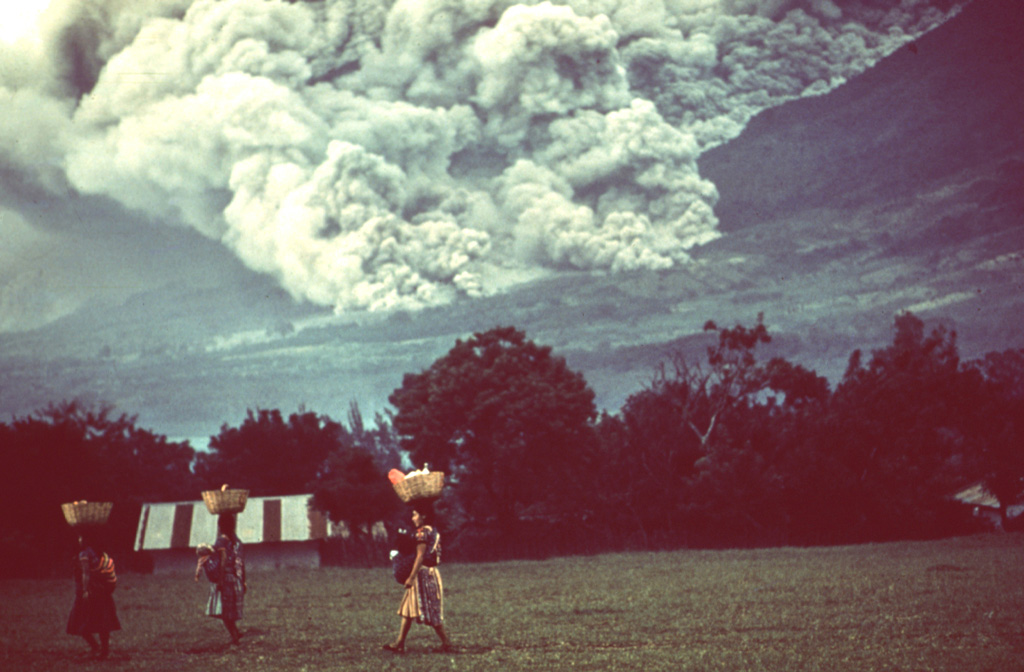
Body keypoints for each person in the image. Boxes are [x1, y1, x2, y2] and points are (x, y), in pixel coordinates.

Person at [383, 502, 453, 654]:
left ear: (424, 516)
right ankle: (399, 643)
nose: (413, 518)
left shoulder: (421, 532)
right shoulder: (433, 531)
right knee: (408, 609)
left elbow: (420, 556)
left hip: (423, 575)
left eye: (415, 514)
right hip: (430, 573)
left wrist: (411, 577)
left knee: (431, 609)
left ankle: (446, 643)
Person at [66, 529, 120, 660]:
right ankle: (103, 650)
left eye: (80, 538)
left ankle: (97, 648)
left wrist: (85, 590)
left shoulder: (84, 554)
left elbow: (86, 573)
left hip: (89, 594)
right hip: (102, 593)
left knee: (79, 622)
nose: (78, 540)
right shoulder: (98, 553)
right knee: (103, 622)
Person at [207, 513, 246, 644]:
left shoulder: (221, 541)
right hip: (237, 580)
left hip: (227, 580)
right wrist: (244, 580)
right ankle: (236, 634)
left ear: (220, 525)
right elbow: (241, 561)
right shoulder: (237, 541)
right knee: (230, 612)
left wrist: (220, 580)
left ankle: (235, 636)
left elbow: (223, 561)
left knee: (225, 613)